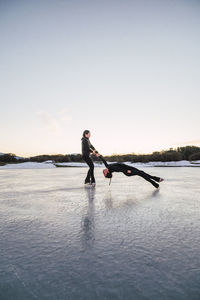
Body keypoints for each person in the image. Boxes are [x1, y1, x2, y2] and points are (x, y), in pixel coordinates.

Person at [96, 154, 164, 188]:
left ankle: (156, 179)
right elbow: (120, 169)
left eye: (103, 173)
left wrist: (99, 155)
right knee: (141, 173)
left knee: (142, 172)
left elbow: (103, 160)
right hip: (128, 171)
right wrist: (127, 171)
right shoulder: (112, 168)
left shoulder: (107, 166)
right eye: (104, 173)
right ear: (108, 172)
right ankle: (155, 184)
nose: (103, 172)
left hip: (129, 168)